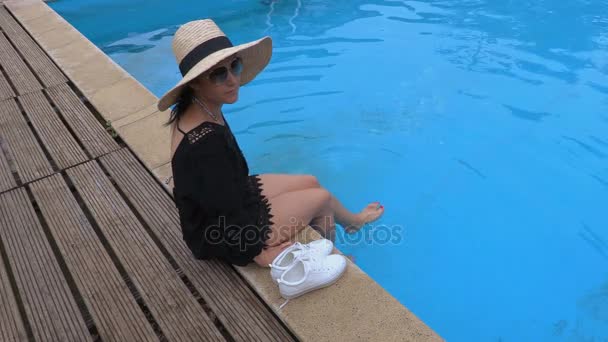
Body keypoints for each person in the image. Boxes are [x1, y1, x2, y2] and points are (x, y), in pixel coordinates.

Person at [159, 19, 384, 268]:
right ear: (194, 82)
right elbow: (221, 210)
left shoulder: (201, 106)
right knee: (321, 199)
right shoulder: (205, 144)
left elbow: (214, 189)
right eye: (218, 74)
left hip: (232, 195)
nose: (233, 79)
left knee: (310, 181)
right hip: (219, 232)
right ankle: (329, 259)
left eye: (234, 66)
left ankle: (350, 224)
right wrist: (255, 251)